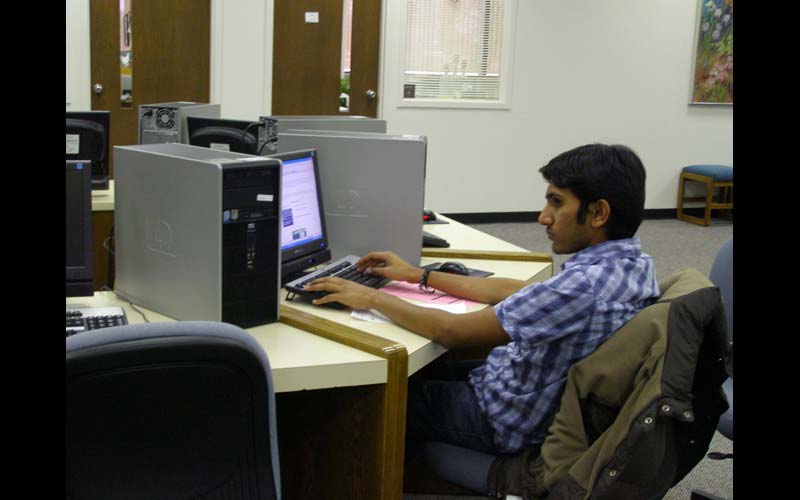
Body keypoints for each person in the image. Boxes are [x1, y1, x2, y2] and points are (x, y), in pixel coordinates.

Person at [304, 143, 660, 456]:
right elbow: (511, 291)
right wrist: (419, 275)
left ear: (598, 213)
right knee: (425, 370)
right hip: (520, 385)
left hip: (502, 419)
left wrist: (371, 298)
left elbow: (452, 332)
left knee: (360, 398)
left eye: (557, 202)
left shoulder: (584, 286)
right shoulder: (629, 264)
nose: (543, 217)